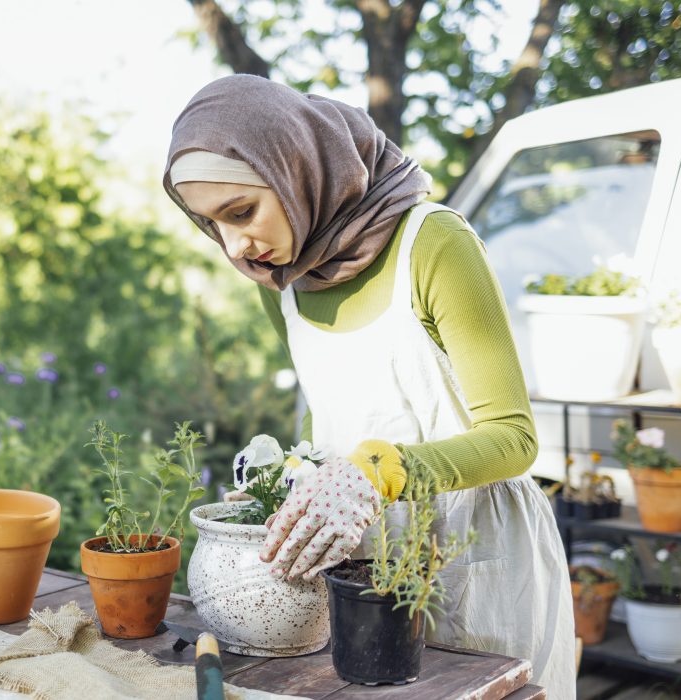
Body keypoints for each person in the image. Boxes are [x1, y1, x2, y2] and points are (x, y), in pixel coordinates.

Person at [162, 74, 576, 699]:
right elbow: (326, 409)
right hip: (362, 565)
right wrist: (293, 483)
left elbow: (514, 440)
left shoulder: (432, 243)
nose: (235, 246)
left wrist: (375, 472)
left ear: (295, 168)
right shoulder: (282, 276)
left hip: (476, 552)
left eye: (241, 212)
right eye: (211, 224)